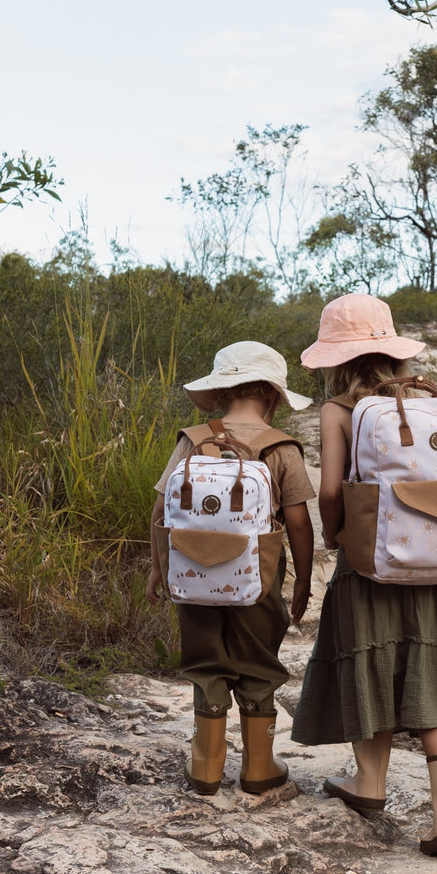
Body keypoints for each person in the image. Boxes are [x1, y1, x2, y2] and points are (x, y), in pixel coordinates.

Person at [290, 293, 437, 858]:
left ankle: (370, 784)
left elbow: (332, 491)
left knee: (369, 661)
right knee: (429, 668)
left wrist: (338, 536)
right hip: (434, 559)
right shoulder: (434, 401)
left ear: (338, 357)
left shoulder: (339, 410)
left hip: (371, 562)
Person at [146, 341, 315, 796]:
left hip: (193, 573)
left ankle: (206, 766)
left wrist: (158, 569)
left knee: (206, 662)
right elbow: (298, 523)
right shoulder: (281, 448)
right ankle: (259, 767)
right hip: (258, 581)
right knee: (258, 662)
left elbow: (161, 510)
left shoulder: (193, 440)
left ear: (223, 390)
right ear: (271, 392)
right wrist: (302, 581)